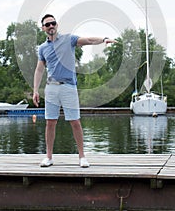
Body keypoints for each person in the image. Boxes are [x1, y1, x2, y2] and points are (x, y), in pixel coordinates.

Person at [33, 13, 116, 168]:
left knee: (75, 122)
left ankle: (82, 157)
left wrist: (104, 39)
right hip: (51, 88)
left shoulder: (68, 40)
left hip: (69, 87)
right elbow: (39, 69)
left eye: (53, 23)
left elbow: (88, 40)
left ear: (56, 25)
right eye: (47, 24)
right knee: (50, 122)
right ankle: (49, 157)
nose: (51, 26)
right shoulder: (43, 48)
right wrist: (36, 90)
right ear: (43, 28)